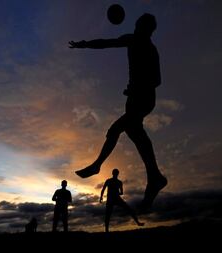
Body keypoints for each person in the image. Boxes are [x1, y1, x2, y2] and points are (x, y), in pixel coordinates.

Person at [69, 13, 167, 209]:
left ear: (148, 29)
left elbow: (157, 80)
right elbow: (106, 43)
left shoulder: (150, 49)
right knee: (136, 134)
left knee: (116, 129)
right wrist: (85, 44)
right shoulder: (131, 39)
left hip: (144, 99)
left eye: (141, 25)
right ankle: (155, 176)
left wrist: (137, 87)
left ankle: (97, 165)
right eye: (137, 24)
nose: (137, 27)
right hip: (133, 99)